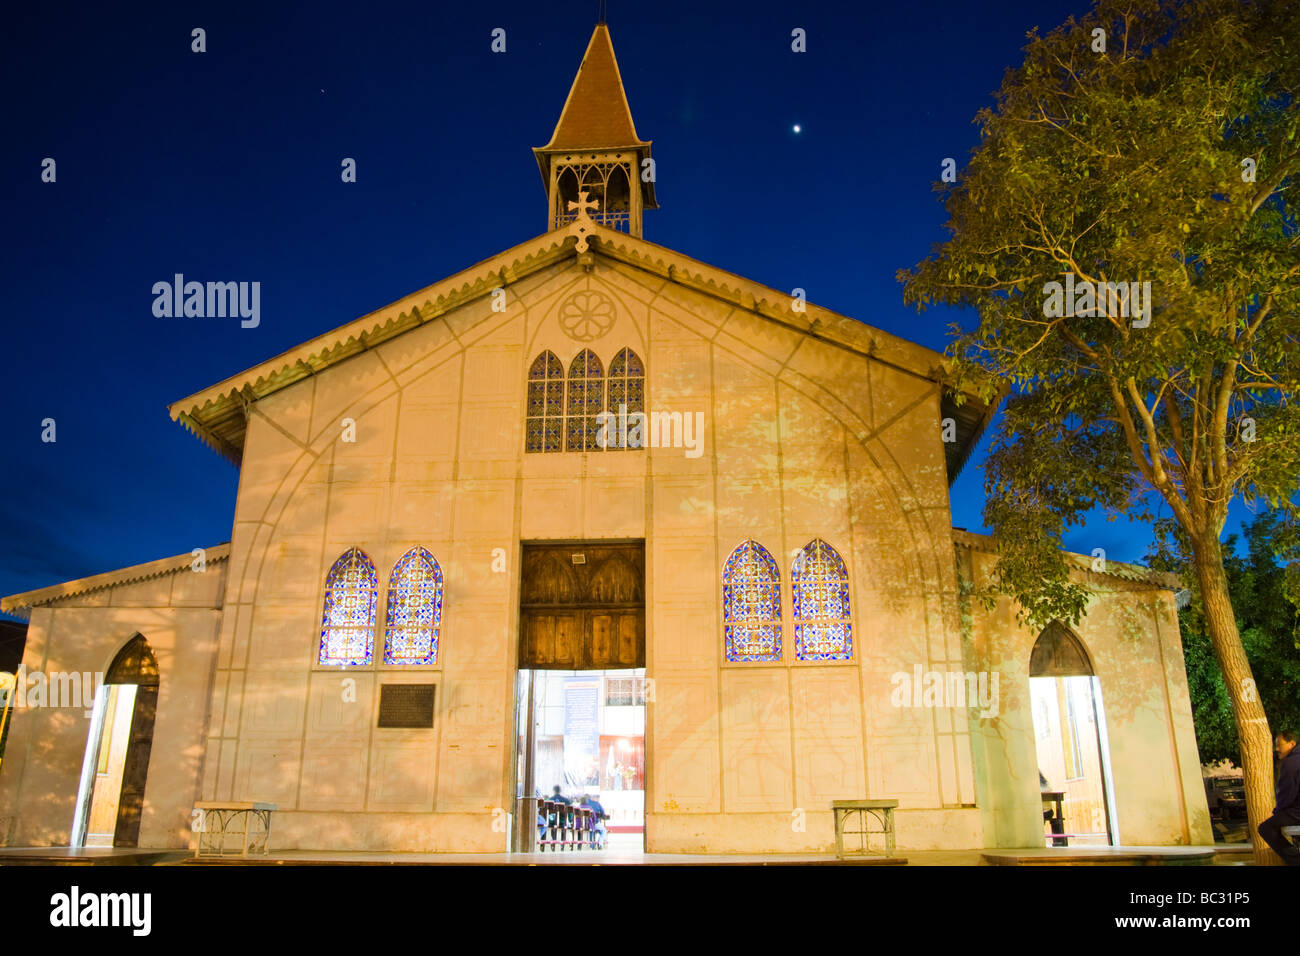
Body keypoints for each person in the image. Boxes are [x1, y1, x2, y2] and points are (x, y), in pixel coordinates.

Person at [1258, 730, 1300, 865]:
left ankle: (1295, 860)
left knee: (1265, 828)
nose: (1276, 749)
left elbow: (1287, 794)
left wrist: (1277, 811)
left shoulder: (1291, 763)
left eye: (1279, 745)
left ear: (1291, 744)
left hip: (1297, 812)